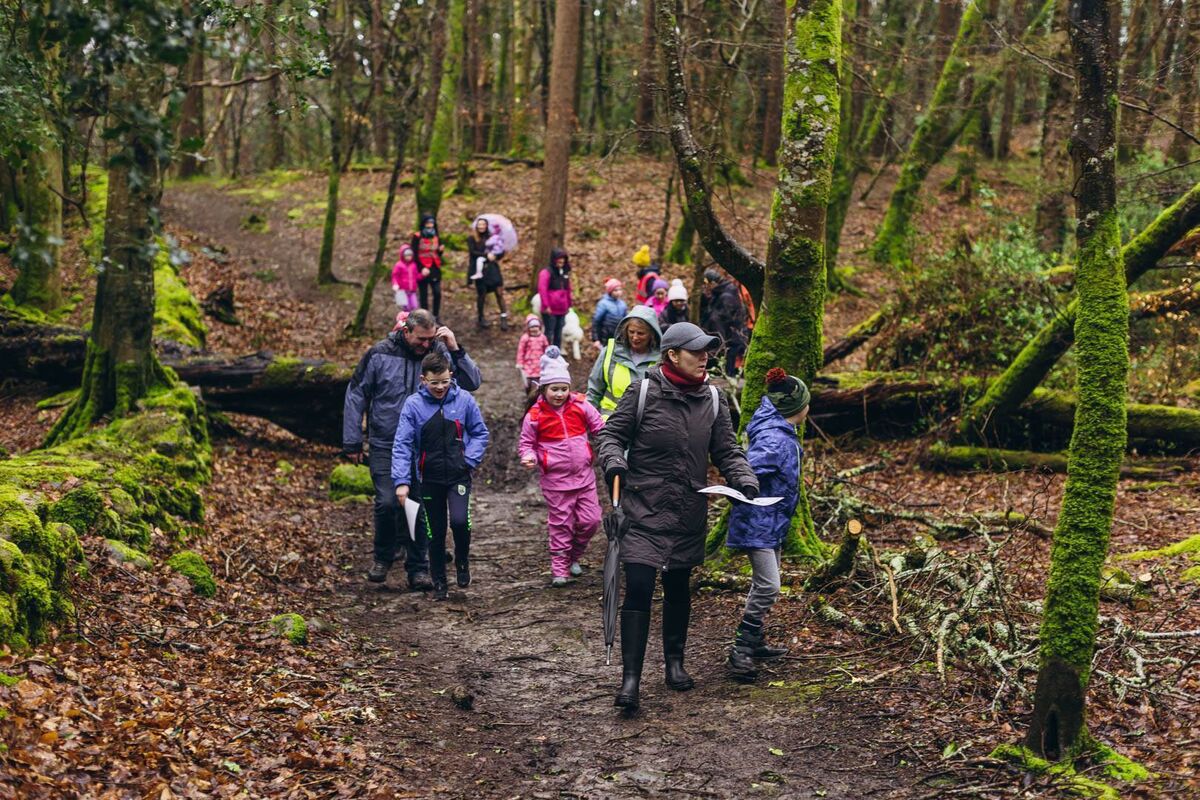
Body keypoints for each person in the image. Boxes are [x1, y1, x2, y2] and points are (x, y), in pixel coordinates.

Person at [597, 322, 758, 710]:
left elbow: (728, 451)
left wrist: (744, 481)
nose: (705, 358)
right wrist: (615, 462)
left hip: (688, 511)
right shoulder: (644, 391)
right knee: (637, 588)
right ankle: (630, 680)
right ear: (671, 354)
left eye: (707, 352)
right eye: (696, 352)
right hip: (642, 508)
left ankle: (675, 662)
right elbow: (610, 436)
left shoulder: (714, 400)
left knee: (678, 588)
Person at [343, 309, 482, 589]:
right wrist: (352, 439)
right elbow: (357, 393)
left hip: (427, 447)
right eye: (421, 339)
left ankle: (418, 568)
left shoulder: (440, 352)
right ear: (405, 331)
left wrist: (455, 349)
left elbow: (471, 383)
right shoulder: (379, 354)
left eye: (431, 339)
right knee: (386, 501)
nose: (426, 345)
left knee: (418, 508)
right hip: (385, 440)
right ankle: (383, 557)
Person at [725, 368, 809, 681]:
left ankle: (755, 640)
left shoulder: (781, 431)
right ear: (796, 408)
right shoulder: (775, 439)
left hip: (771, 523)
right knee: (770, 585)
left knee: (767, 584)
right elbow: (749, 469)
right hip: (758, 521)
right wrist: (744, 487)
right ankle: (741, 650)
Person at [392, 352, 490, 601]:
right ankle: (439, 582)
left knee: (459, 522)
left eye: (445, 381)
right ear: (423, 379)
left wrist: (468, 461)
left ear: (451, 377)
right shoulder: (413, 405)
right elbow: (402, 444)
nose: (440, 387)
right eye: (434, 382)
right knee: (435, 531)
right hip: (429, 478)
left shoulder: (464, 400)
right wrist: (402, 482)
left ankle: (463, 560)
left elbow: (480, 433)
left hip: (458, 476)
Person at [518, 359, 605, 587]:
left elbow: (599, 427)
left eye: (563, 389)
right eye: (554, 389)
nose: (559, 394)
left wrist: (609, 441)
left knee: (591, 521)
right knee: (561, 525)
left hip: (585, 478)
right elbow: (527, 444)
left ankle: (574, 557)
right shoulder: (535, 416)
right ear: (544, 389)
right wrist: (529, 457)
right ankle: (559, 568)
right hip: (556, 482)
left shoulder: (581, 405)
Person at [586, 306, 662, 419]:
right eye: (631, 332)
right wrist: (585, 419)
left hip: (646, 423)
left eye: (641, 333)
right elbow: (594, 390)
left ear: (652, 334)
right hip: (610, 421)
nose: (635, 337)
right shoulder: (610, 351)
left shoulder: (661, 359)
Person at [700, 268, 748, 376]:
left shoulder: (727, 296)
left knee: (727, 374)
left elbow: (723, 322)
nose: (705, 287)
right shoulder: (720, 294)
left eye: (706, 284)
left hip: (729, 342)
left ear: (713, 283)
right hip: (725, 342)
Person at [537, 247, 572, 348]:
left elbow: (568, 289)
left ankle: (556, 354)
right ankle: (544, 351)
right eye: (559, 260)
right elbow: (542, 289)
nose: (561, 262)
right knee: (549, 332)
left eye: (562, 260)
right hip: (550, 309)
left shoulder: (564, 273)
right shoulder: (546, 272)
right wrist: (546, 305)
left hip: (562, 308)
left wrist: (569, 304)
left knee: (558, 332)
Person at [411, 213, 445, 319]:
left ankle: (436, 315)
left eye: (432, 223)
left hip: (435, 267)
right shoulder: (417, 236)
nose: (430, 225)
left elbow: (436, 253)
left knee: (437, 292)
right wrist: (421, 268)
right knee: (423, 294)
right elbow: (414, 254)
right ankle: (425, 317)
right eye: (428, 223)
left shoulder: (436, 236)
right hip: (422, 268)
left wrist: (440, 251)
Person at [516, 314, 550, 402]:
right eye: (532, 327)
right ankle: (529, 395)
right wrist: (520, 362)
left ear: (539, 327)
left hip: (539, 364)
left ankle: (538, 397)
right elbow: (521, 351)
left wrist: (549, 359)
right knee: (528, 383)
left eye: (536, 326)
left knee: (539, 381)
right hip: (528, 364)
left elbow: (546, 348)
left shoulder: (543, 337)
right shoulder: (525, 338)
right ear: (528, 328)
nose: (534, 329)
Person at [591, 278, 627, 352]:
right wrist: (596, 338)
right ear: (610, 291)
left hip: (619, 334)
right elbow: (596, 321)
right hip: (606, 335)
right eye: (615, 290)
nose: (618, 292)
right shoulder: (603, 304)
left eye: (620, 290)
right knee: (607, 354)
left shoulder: (622, 304)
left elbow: (625, 320)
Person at [391, 245, 420, 312]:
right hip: (402, 291)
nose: (408, 257)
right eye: (406, 255)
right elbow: (394, 276)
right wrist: (395, 284)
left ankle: (413, 320)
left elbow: (416, 276)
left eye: (410, 255)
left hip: (412, 291)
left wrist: (423, 275)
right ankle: (405, 320)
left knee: (415, 306)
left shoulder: (414, 265)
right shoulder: (398, 265)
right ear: (402, 255)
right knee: (406, 307)